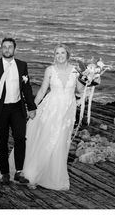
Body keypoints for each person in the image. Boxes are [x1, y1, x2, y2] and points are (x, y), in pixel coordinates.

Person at [19, 45, 84, 190]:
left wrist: (89, 79)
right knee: (46, 139)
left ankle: (53, 176)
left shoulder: (76, 70)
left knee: (60, 142)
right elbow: (42, 90)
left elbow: (80, 90)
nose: (60, 55)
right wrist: (32, 107)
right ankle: (32, 175)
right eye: (57, 53)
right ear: (54, 55)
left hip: (68, 111)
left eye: (62, 53)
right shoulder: (50, 70)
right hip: (50, 109)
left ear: (68, 54)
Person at [0, 37, 36, 185]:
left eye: (10, 47)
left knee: (20, 138)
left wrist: (31, 107)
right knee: (1, 141)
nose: (7, 49)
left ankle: (19, 172)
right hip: (0, 110)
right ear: (1, 49)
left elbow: (26, 87)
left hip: (17, 108)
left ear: (14, 49)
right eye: (4, 47)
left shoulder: (22, 65)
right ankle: (5, 173)